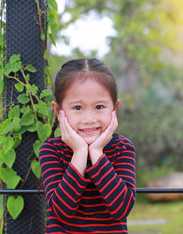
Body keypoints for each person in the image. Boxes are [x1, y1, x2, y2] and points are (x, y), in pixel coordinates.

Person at [39, 58, 136, 234]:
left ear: (115, 108)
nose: (89, 119)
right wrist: (80, 152)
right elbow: (62, 211)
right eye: (77, 108)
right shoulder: (51, 150)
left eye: (99, 106)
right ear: (58, 111)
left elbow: (121, 207)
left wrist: (97, 152)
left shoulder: (122, 148)